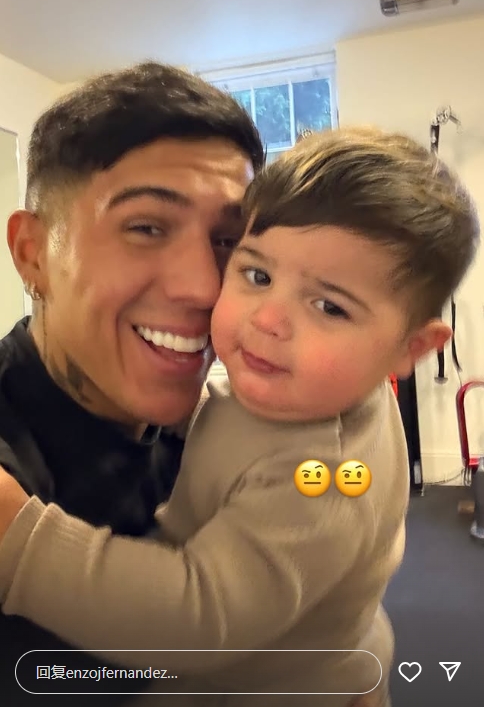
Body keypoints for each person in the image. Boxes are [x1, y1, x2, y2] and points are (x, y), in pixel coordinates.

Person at [0, 129, 479, 707]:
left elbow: (198, 620)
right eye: (257, 275)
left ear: (413, 348)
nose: (267, 319)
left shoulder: (321, 474)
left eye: (329, 306)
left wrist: (20, 541)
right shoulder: (305, 391)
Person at [0, 61, 264, 706]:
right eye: (146, 228)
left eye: (228, 240)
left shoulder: (232, 438)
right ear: (33, 253)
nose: (204, 287)